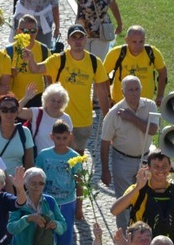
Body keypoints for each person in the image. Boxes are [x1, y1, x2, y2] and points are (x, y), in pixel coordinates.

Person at [22, 24, 110, 155]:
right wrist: (31, 60)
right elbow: (36, 69)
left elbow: (102, 91)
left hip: (83, 119)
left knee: (77, 157)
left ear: (86, 39)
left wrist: (107, 118)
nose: (77, 41)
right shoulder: (59, 59)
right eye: (74, 38)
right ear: (68, 41)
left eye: (81, 37)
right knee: (57, 152)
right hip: (58, 117)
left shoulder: (94, 62)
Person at [100, 75, 159, 230]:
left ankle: (144, 234)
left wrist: (132, 117)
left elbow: (153, 130)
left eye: (136, 89)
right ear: (122, 92)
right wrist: (105, 170)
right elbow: (105, 142)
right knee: (125, 200)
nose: (134, 93)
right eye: (130, 90)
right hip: (122, 160)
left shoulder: (150, 106)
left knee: (146, 198)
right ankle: (124, 236)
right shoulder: (113, 114)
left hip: (145, 160)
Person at [109, 150, 174, 245]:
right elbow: (114, 210)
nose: (161, 170)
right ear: (148, 168)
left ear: (170, 167)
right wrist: (138, 187)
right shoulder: (138, 189)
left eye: (164, 166)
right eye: (156, 166)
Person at [34, 120, 81, 245]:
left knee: (64, 236)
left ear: (69, 137)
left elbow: (79, 181)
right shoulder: (43, 155)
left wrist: (79, 207)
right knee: (45, 234)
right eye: (58, 138)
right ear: (51, 137)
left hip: (67, 203)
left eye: (64, 138)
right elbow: (36, 179)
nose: (61, 142)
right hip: (47, 202)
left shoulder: (74, 157)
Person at [104, 26, 168, 107]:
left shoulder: (152, 53)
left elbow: (163, 72)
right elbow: (103, 75)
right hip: (120, 104)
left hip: (145, 105)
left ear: (145, 40)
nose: (138, 46)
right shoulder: (116, 53)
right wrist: (108, 97)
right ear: (126, 40)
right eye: (134, 42)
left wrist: (160, 96)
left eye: (141, 42)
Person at [7, 15, 51, 107]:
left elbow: (50, 76)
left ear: (37, 31)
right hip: (16, 98)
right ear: (19, 31)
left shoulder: (44, 50)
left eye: (33, 31)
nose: (30, 34)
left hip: (37, 98)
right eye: (26, 31)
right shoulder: (9, 50)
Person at [17, 82, 72, 155]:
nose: (55, 104)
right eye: (53, 100)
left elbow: (69, 141)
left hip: (60, 160)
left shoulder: (66, 118)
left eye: (59, 101)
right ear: (46, 100)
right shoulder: (37, 112)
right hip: (39, 160)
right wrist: (26, 98)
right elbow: (15, 112)